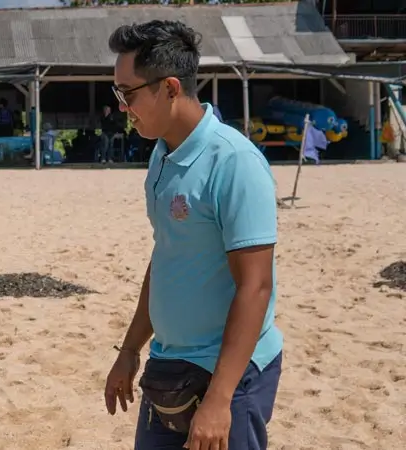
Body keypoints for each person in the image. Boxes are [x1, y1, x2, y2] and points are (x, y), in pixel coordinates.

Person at [103, 20, 282, 450]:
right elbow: (168, 256)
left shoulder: (234, 161)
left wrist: (220, 400)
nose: (122, 106)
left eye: (127, 93)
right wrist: (130, 349)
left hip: (231, 375)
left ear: (168, 88)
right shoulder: (161, 156)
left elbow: (255, 287)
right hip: (168, 364)